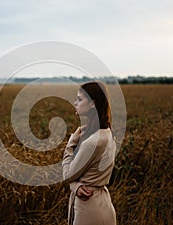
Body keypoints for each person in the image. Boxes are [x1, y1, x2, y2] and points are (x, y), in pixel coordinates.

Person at [62, 81, 117, 225]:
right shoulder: (108, 133)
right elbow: (92, 176)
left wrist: (70, 144)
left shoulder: (92, 143)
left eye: (80, 99)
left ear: (93, 104)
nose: (75, 103)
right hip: (104, 204)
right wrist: (77, 186)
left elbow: (68, 175)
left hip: (88, 209)